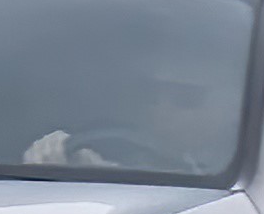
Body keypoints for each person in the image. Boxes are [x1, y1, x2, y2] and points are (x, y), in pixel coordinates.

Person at [23, 49, 221, 174]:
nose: (162, 108)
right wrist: (49, 159)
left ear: (231, 109)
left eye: (186, 97)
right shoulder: (116, 150)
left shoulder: (241, 182)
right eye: (151, 95)